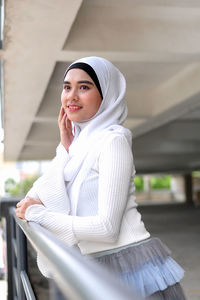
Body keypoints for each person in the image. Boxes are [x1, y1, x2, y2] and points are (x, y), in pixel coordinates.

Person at [16, 56, 186, 299]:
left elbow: (106, 228)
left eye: (84, 87)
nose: (71, 96)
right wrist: (65, 150)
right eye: (67, 87)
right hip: (92, 266)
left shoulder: (113, 141)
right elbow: (33, 196)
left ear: (106, 94)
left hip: (130, 269)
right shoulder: (78, 148)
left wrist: (38, 215)